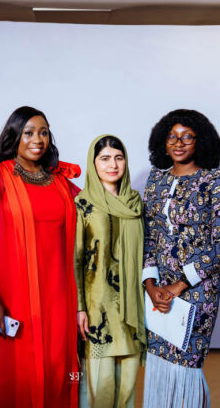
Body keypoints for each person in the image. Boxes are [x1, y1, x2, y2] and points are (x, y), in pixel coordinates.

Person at [0, 106, 81, 408]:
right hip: (13, 294)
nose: (38, 139)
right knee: (11, 373)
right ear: (14, 136)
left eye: (44, 133)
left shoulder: (60, 182)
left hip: (57, 295)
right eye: (29, 132)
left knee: (56, 369)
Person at [141, 109, 220, 408]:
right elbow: (148, 236)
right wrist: (150, 285)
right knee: (160, 360)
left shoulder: (214, 179)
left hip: (197, 290)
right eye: (172, 137)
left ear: (200, 141)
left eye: (187, 137)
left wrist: (178, 286)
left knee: (187, 365)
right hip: (157, 288)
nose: (178, 143)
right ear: (162, 141)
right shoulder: (156, 180)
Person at [74, 135, 146, 408]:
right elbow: (76, 260)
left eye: (118, 157)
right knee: (100, 388)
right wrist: (80, 307)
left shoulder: (135, 203)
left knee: (127, 389)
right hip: (97, 308)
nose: (113, 165)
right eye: (104, 159)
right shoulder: (83, 204)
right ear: (93, 163)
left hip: (131, 308)